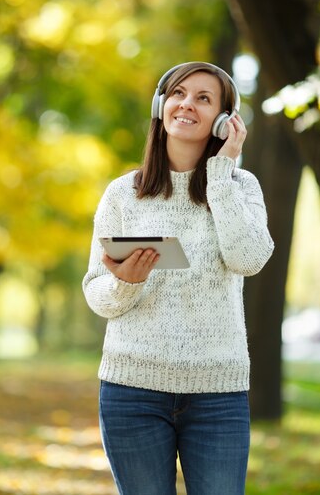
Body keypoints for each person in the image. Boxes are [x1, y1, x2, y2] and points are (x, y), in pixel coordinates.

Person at [82, 61, 274, 495]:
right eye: (179, 93)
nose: (187, 104)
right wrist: (126, 281)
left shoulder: (241, 188)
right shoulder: (123, 193)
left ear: (225, 121)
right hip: (132, 390)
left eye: (204, 99)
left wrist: (221, 173)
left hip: (217, 394)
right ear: (160, 105)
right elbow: (97, 293)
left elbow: (249, 259)